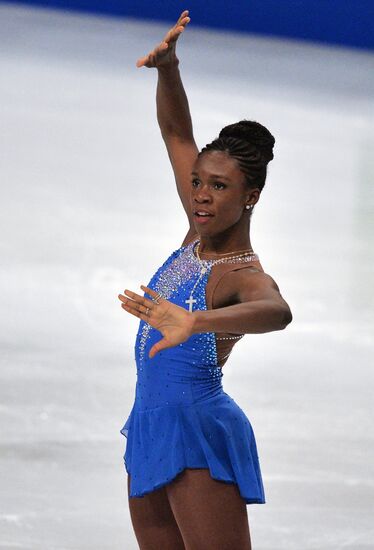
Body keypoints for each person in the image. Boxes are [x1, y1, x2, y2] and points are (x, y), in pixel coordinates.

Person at [118, 10, 292, 550]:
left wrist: (197, 320)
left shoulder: (241, 273)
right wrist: (168, 70)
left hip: (197, 430)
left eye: (217, 186)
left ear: (250, 197)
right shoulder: (196, 235)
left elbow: (277, 312)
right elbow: (176, 132)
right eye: (197, 181)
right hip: (149, 424)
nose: (200, 194)